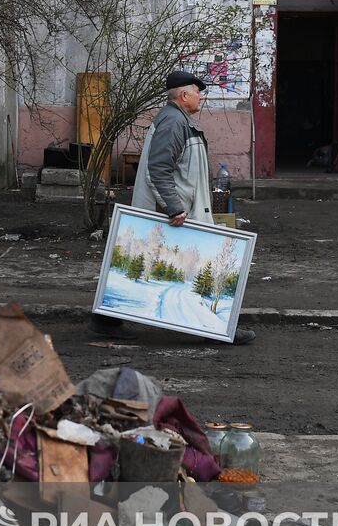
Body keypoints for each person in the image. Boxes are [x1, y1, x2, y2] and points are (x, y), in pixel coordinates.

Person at [89, 69, 256, 345]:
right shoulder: (174, 123)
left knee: (148, 260)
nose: (201, 96)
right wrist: (174, 208)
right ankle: (214, 329)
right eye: (198, 91)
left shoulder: (178, 120)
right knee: (200, 263)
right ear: (184, 94)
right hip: (178, 213)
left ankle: (105, 321)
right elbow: (159, 169)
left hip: (180, 209)